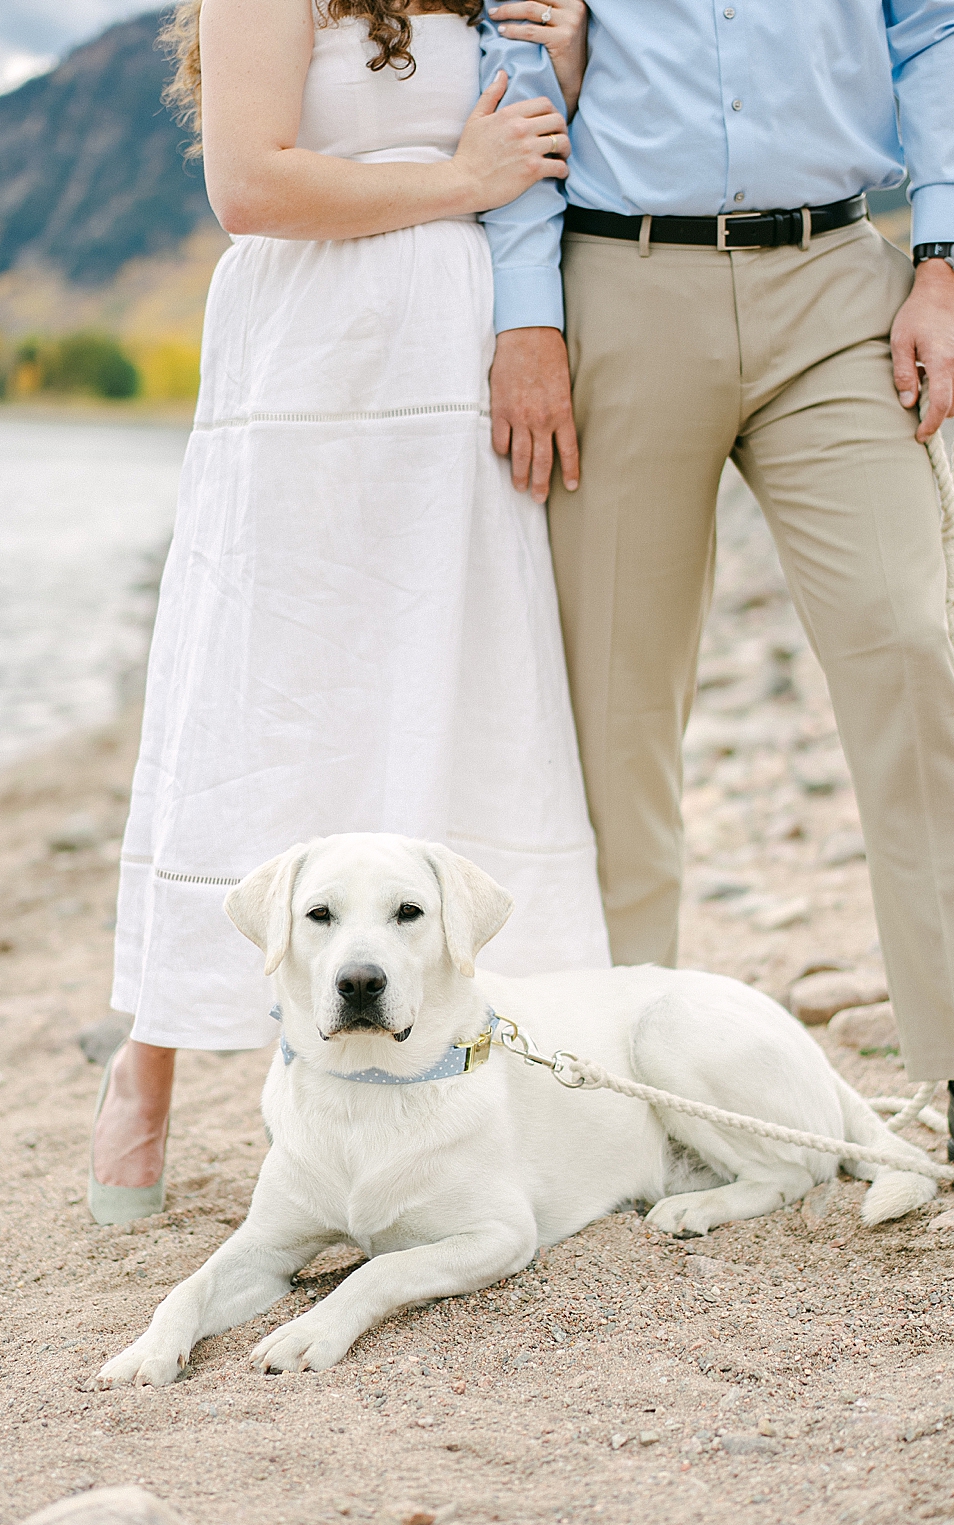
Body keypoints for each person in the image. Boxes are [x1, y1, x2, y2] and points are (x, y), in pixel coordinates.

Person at [482, 0, 954, 1214]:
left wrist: (946, 265)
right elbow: (520, 61)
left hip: (836, 289)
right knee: (617, 709)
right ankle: (621, 1093)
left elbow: (941, 29)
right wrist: (525, 310)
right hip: (620, 283)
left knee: (906, 645)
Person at [89, 0, 608, 1225]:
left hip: (453, 360)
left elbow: (529, 156)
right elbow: (249, 185)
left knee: (453, 684)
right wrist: (456, 177)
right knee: (261, 694)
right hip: (315, 364)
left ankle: (472, 1075)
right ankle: (151, 1057)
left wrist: (568, 73)